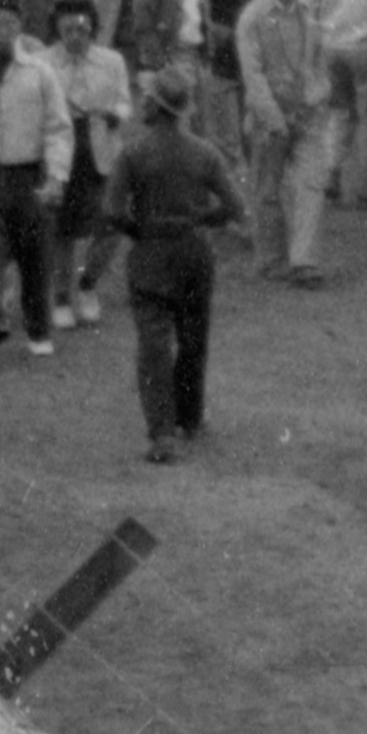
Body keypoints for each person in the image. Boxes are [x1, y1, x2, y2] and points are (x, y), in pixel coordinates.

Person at [108, 69, 240, 463]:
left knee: (153, 343)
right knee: (193, 337)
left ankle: (162, 432)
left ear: (153, 104)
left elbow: (111, 210)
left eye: (144, 97)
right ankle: (191, 418)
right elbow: (235, 206)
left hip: (150, 253)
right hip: (194, 252)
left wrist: (139, 230)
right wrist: (202, 221)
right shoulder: (205, 152)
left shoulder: (132, 152)